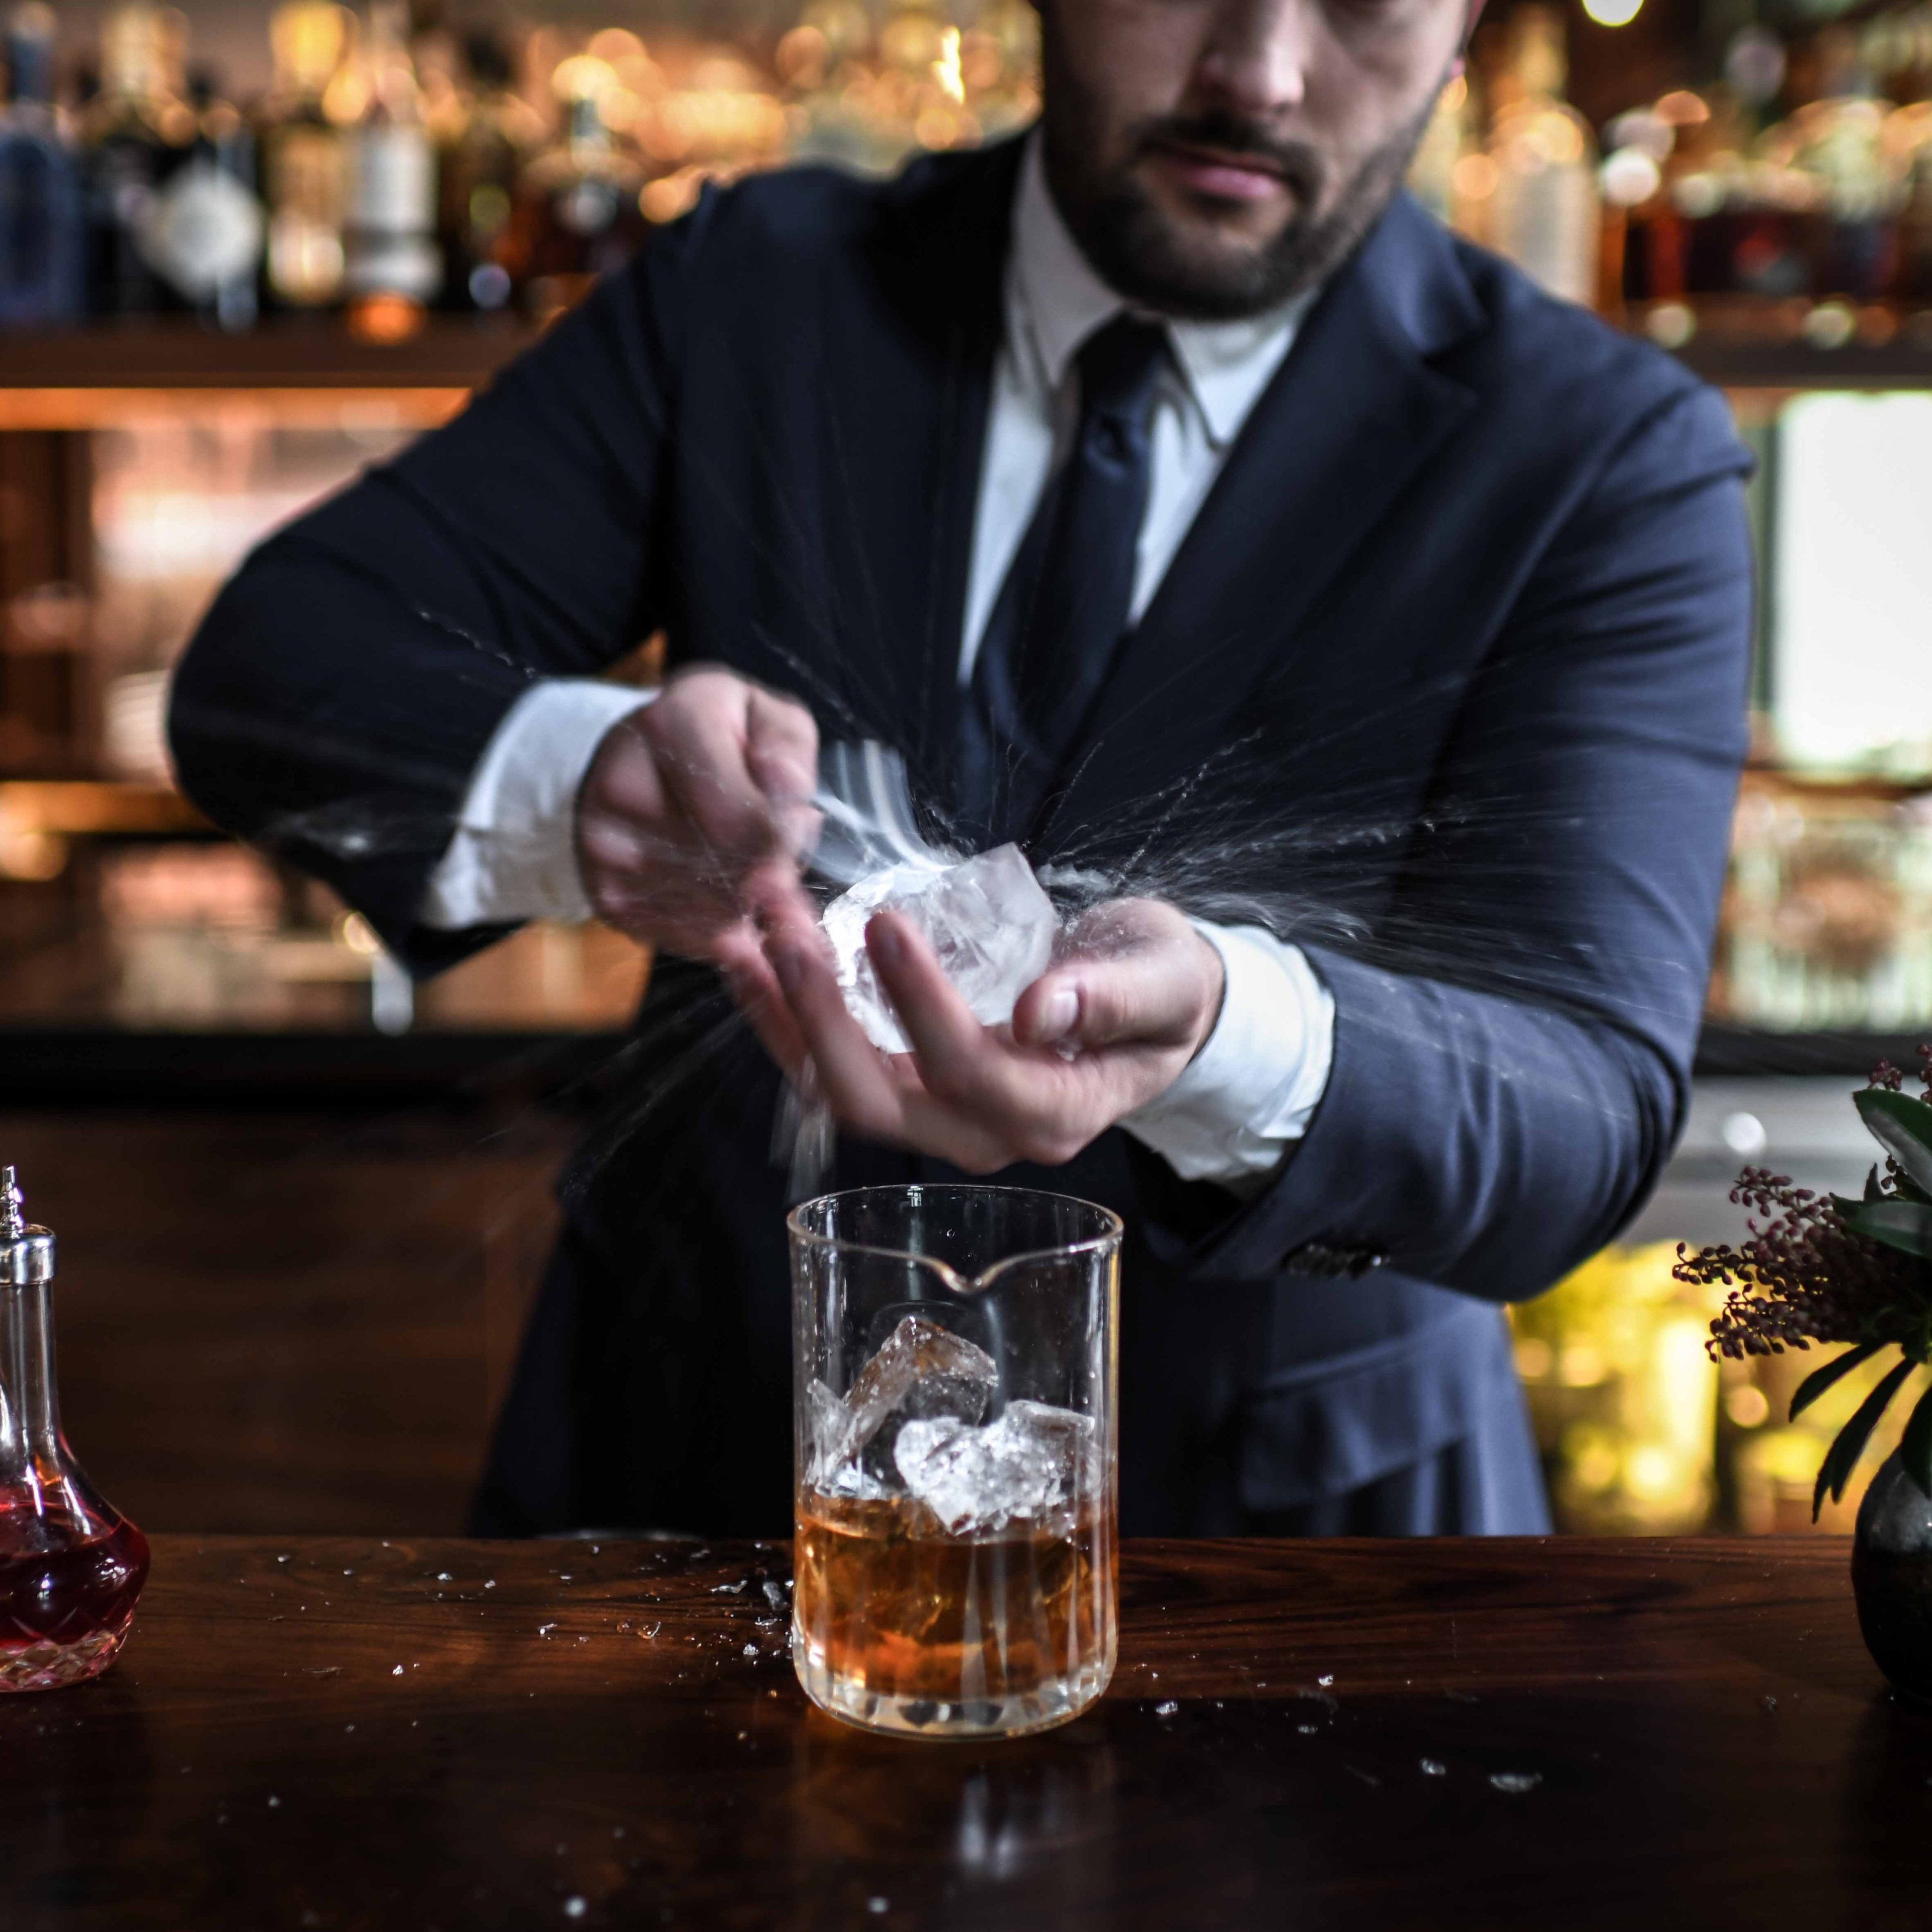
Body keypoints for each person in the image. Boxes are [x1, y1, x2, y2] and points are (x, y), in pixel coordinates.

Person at [170, 0, 1753, 1538]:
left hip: (1281, 1560)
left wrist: (1219, 1028)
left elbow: (1582, 1106)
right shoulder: (758, 286)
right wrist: (586, 791)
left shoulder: (1605, 456)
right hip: (684, 1473)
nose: (1256, 70)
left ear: (1470, 27)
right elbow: (275, 670)